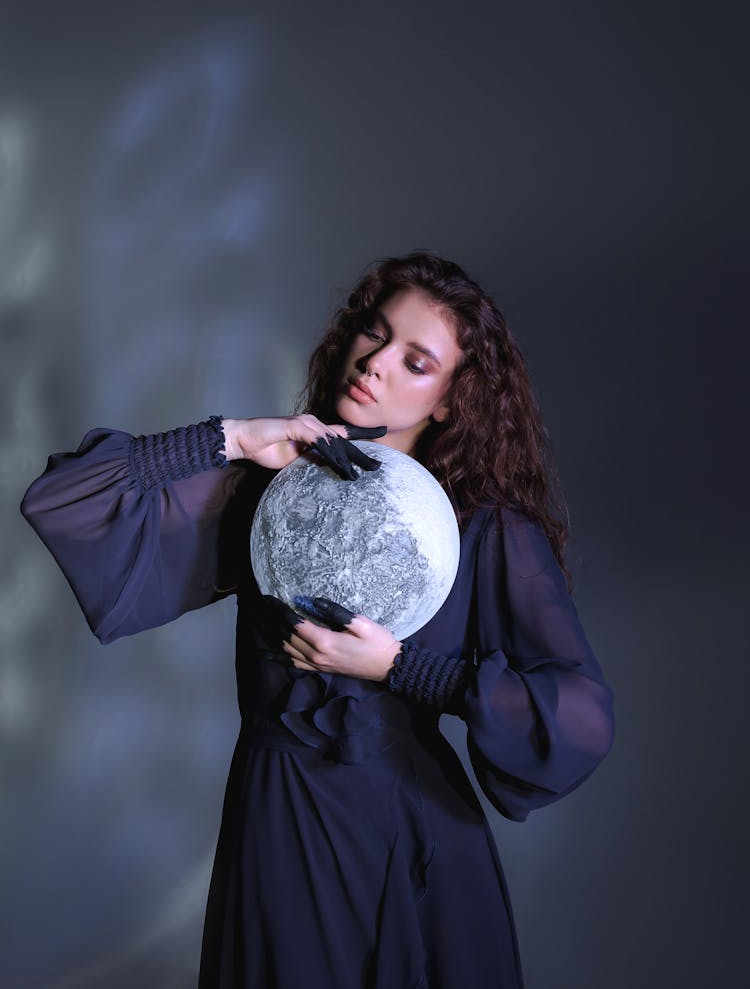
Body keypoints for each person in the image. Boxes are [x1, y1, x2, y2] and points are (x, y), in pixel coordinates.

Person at [20, 251, 615, 989]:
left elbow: (582, 715)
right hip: (282, 821)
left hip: (414, 834)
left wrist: (403, 667)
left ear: (450, 402)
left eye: (415, 361)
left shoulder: (484, 528)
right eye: (375, 331)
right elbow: (63, 500)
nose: (375, 362)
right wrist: (234, 437)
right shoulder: (271, 489)